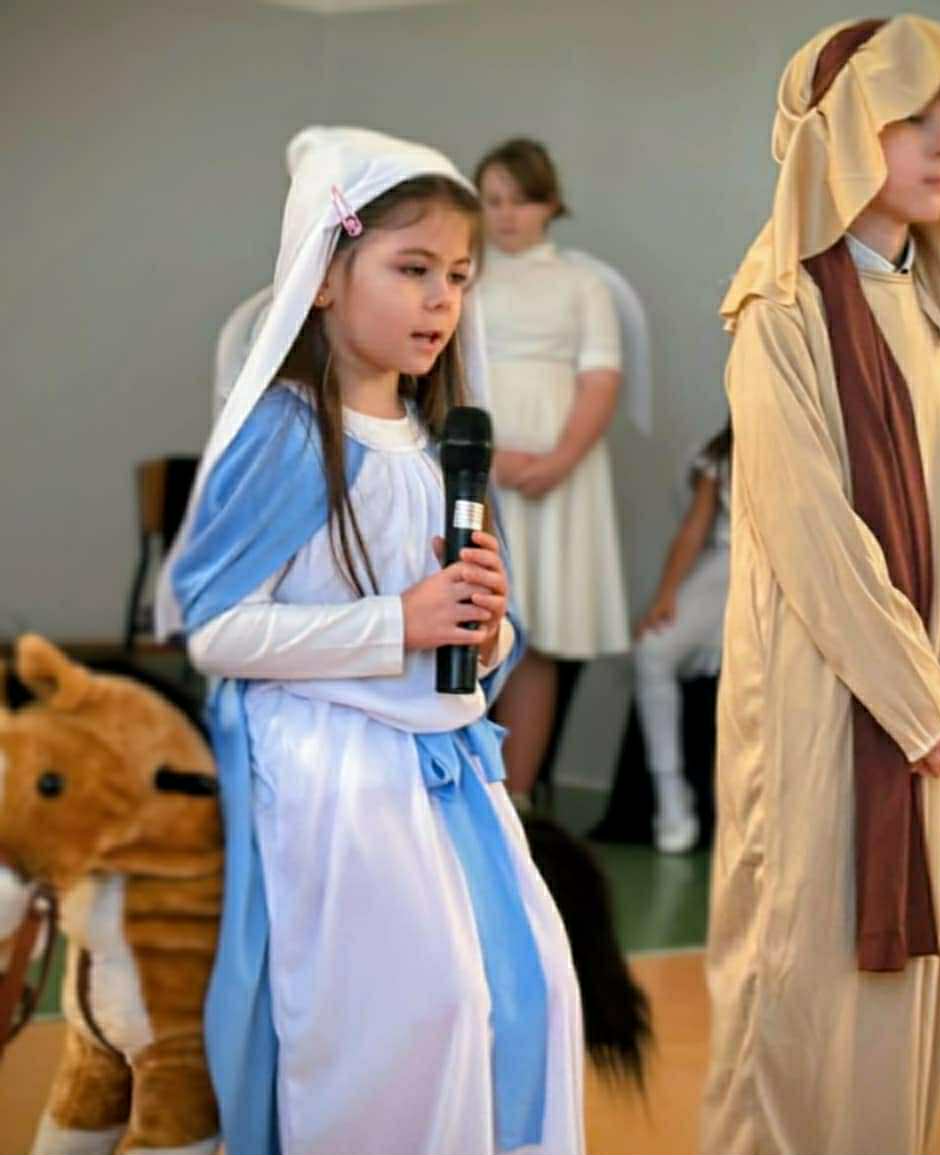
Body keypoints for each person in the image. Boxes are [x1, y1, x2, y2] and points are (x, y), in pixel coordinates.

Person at [156, 127, 584, 1155]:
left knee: (531, 990)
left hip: (443, 767)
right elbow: (215, 629)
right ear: (322, 278)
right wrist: (399, 622)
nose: (441, 300)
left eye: (459, 277)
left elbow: (475, 632)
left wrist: (486, 630)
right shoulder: (288, 432)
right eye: (412, 269)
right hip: (330, 772)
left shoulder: (441, 446)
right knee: (420, 1013)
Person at [701, 17, 940, 1155]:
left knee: (893, 1008)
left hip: (922, 717)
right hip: (815, 700)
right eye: (910, 118)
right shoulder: (777, 312)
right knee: (793, 983)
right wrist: (918, 698)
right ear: (835, 134)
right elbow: (809, 532)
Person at [474, 137, 630, 806]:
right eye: (492, 201)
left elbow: (600, 377)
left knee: (536, 632)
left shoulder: (581, 284)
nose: (506, 215)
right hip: (477, 466)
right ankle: (464, 792)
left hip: (557, 476)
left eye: (520, 200)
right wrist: (483, 456)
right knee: (472, 620)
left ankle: (516, 798)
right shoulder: (463, 277)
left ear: (548, 204)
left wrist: (561, 457)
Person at [634, 421, 732, 853]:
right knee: (653, 650)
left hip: (790, 575)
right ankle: (670, 792)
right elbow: (695, 528)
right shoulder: (722, 451)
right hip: (728, 563)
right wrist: (666, 594)